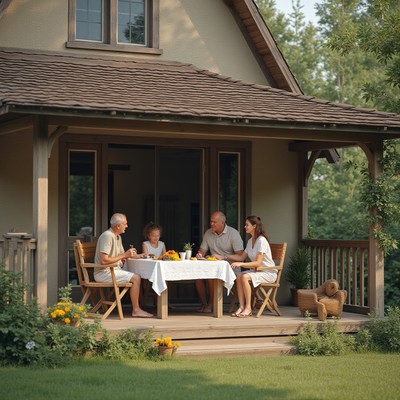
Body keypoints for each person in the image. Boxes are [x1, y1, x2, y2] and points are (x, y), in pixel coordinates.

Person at [94, 213, 153, 318]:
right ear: (118, 226)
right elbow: (104, 261)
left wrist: (140, 256)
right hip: (103, 273)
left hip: (113, 270)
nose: (127, 226)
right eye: (125, 224)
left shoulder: (117, 237)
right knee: (136, 278)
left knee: (136, 276)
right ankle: (136, 310)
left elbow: (122, 256)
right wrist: (125, 254)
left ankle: (137, 308)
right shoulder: (107, 236)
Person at [195, 211, 244, 313]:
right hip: (212, 266)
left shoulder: (233, 233)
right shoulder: (208, 233)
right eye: (211, 221)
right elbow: (202, 251)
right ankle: (204, 304)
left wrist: (223, 257)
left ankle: (211, 304)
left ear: (222, 222)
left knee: (211, 277)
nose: (212, 224)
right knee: (197, 277)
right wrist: (200, 254)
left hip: (231, 267)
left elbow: (241, 256)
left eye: (214, 222)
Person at [230, 215, 276, 318]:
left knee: (244, 277)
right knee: (238, 276)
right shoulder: (250, 241)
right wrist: (224, 256)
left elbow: (258, 263)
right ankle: (241, 307)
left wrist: (241, 264)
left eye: (247, 225)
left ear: (254, 226)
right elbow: (241, 257)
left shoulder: (261, 241)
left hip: (268, 273)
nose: (245, 227)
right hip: (257, 272)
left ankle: (248, 308)